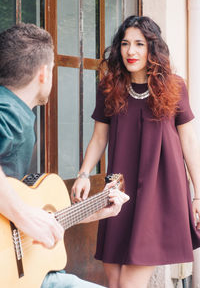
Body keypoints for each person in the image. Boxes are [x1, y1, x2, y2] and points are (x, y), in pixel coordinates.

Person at [71, 15, 200, 288]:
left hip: (159, 189)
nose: (131, 51)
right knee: (115, 280)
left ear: (153, 48)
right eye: (126, 44)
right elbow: (98, 138)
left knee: (129, 284)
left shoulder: (175, 87)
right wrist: (83, 174)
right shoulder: (109, 87)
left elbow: (189, 142)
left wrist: (198, 195)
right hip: (119, 188)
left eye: (140, 44)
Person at [0, 23, 129, 288]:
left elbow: (25, 217)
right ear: (44, 74)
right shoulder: (8, 111)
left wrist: (93, 210)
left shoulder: (19, 113)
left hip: (24, 273)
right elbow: (25, 215)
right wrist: (25, 215)